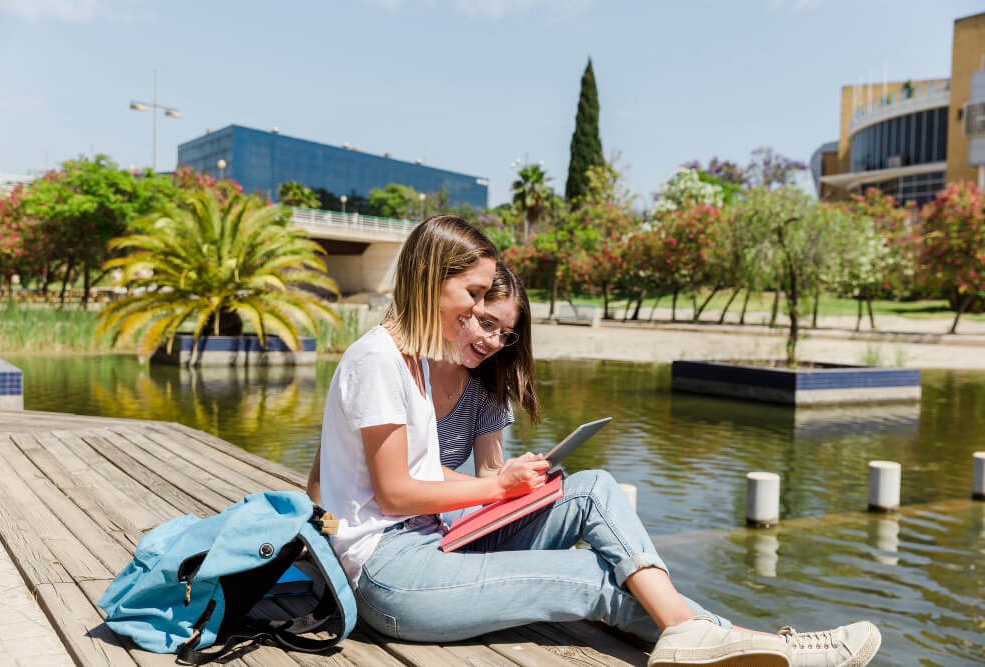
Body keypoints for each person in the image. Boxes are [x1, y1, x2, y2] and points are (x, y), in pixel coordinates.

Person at [307, 215, 880, 667]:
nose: (480, 310)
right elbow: (395, 494)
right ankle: (759, 645)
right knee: (589, 576)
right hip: (391, 577)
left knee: (593, 489)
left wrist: (506, 488)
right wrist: (495, 484)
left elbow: (422, 475)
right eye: (475, 293)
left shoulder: (419, 364)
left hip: (429, 547)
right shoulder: (377, 359)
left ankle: (718, 639)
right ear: (435, 278)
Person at [429, 260, 537, 478]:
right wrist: (499, 485)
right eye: (487, 323)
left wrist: (513, 474)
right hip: (375, 508)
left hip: (437, 510)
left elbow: (489, 471)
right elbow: (405, 473)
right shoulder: (401, 368)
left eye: (506, 334)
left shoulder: (488, 389)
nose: (495, 342)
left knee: (592, 485)